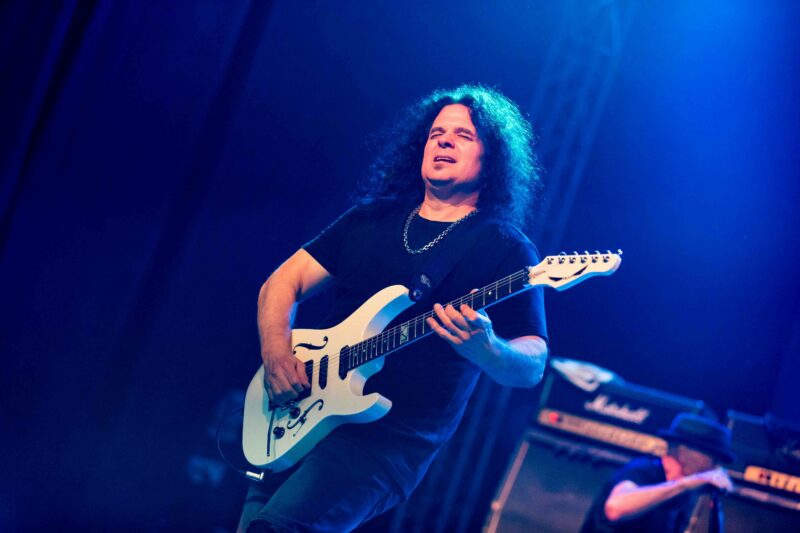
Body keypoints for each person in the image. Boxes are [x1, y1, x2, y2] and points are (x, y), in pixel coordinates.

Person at [237, 85, 549, 532]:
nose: (444, 141)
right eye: (437, 133)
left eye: (463, 135)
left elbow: (532, 364)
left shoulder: (505, 249)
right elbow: (282, 283)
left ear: (492, 159)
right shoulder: (370, 220)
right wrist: (276, 353)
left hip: (385, 439)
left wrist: (489, 349)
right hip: (300, 410)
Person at [581, 413, 735, 533]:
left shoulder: (681, 494)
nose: (715, 467)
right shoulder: (644, 470)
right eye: (712, 458)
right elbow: (615, 508)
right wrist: (686, 484)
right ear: (684, 452)